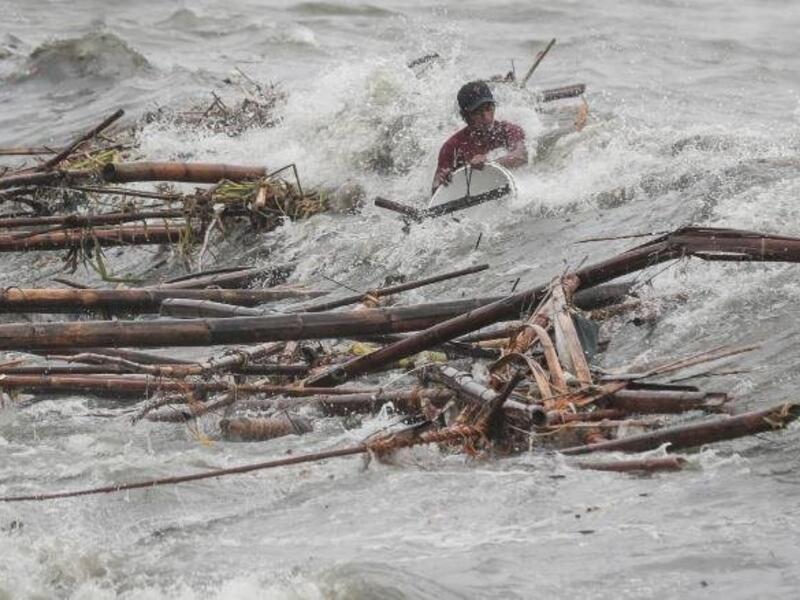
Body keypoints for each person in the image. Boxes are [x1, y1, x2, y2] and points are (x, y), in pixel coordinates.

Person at [432, 80, 528, 194]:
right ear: (465, 116)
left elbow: (521, 156)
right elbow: (435, 189)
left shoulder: (509, 130)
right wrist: (443, 180)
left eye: (489, 109)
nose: (486, 117)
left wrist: (489, 165)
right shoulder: (452, 146)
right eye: (477, 112)